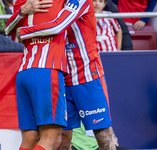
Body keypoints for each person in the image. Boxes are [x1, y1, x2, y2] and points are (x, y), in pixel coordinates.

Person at [6, 0, 117, 149]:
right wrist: (21, 13)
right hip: (61, 76)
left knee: (102, 135)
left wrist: (25, 32)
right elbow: (10, 29)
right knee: (61, 139)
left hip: (87, 74)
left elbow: (58, 26)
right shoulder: (49, 2)